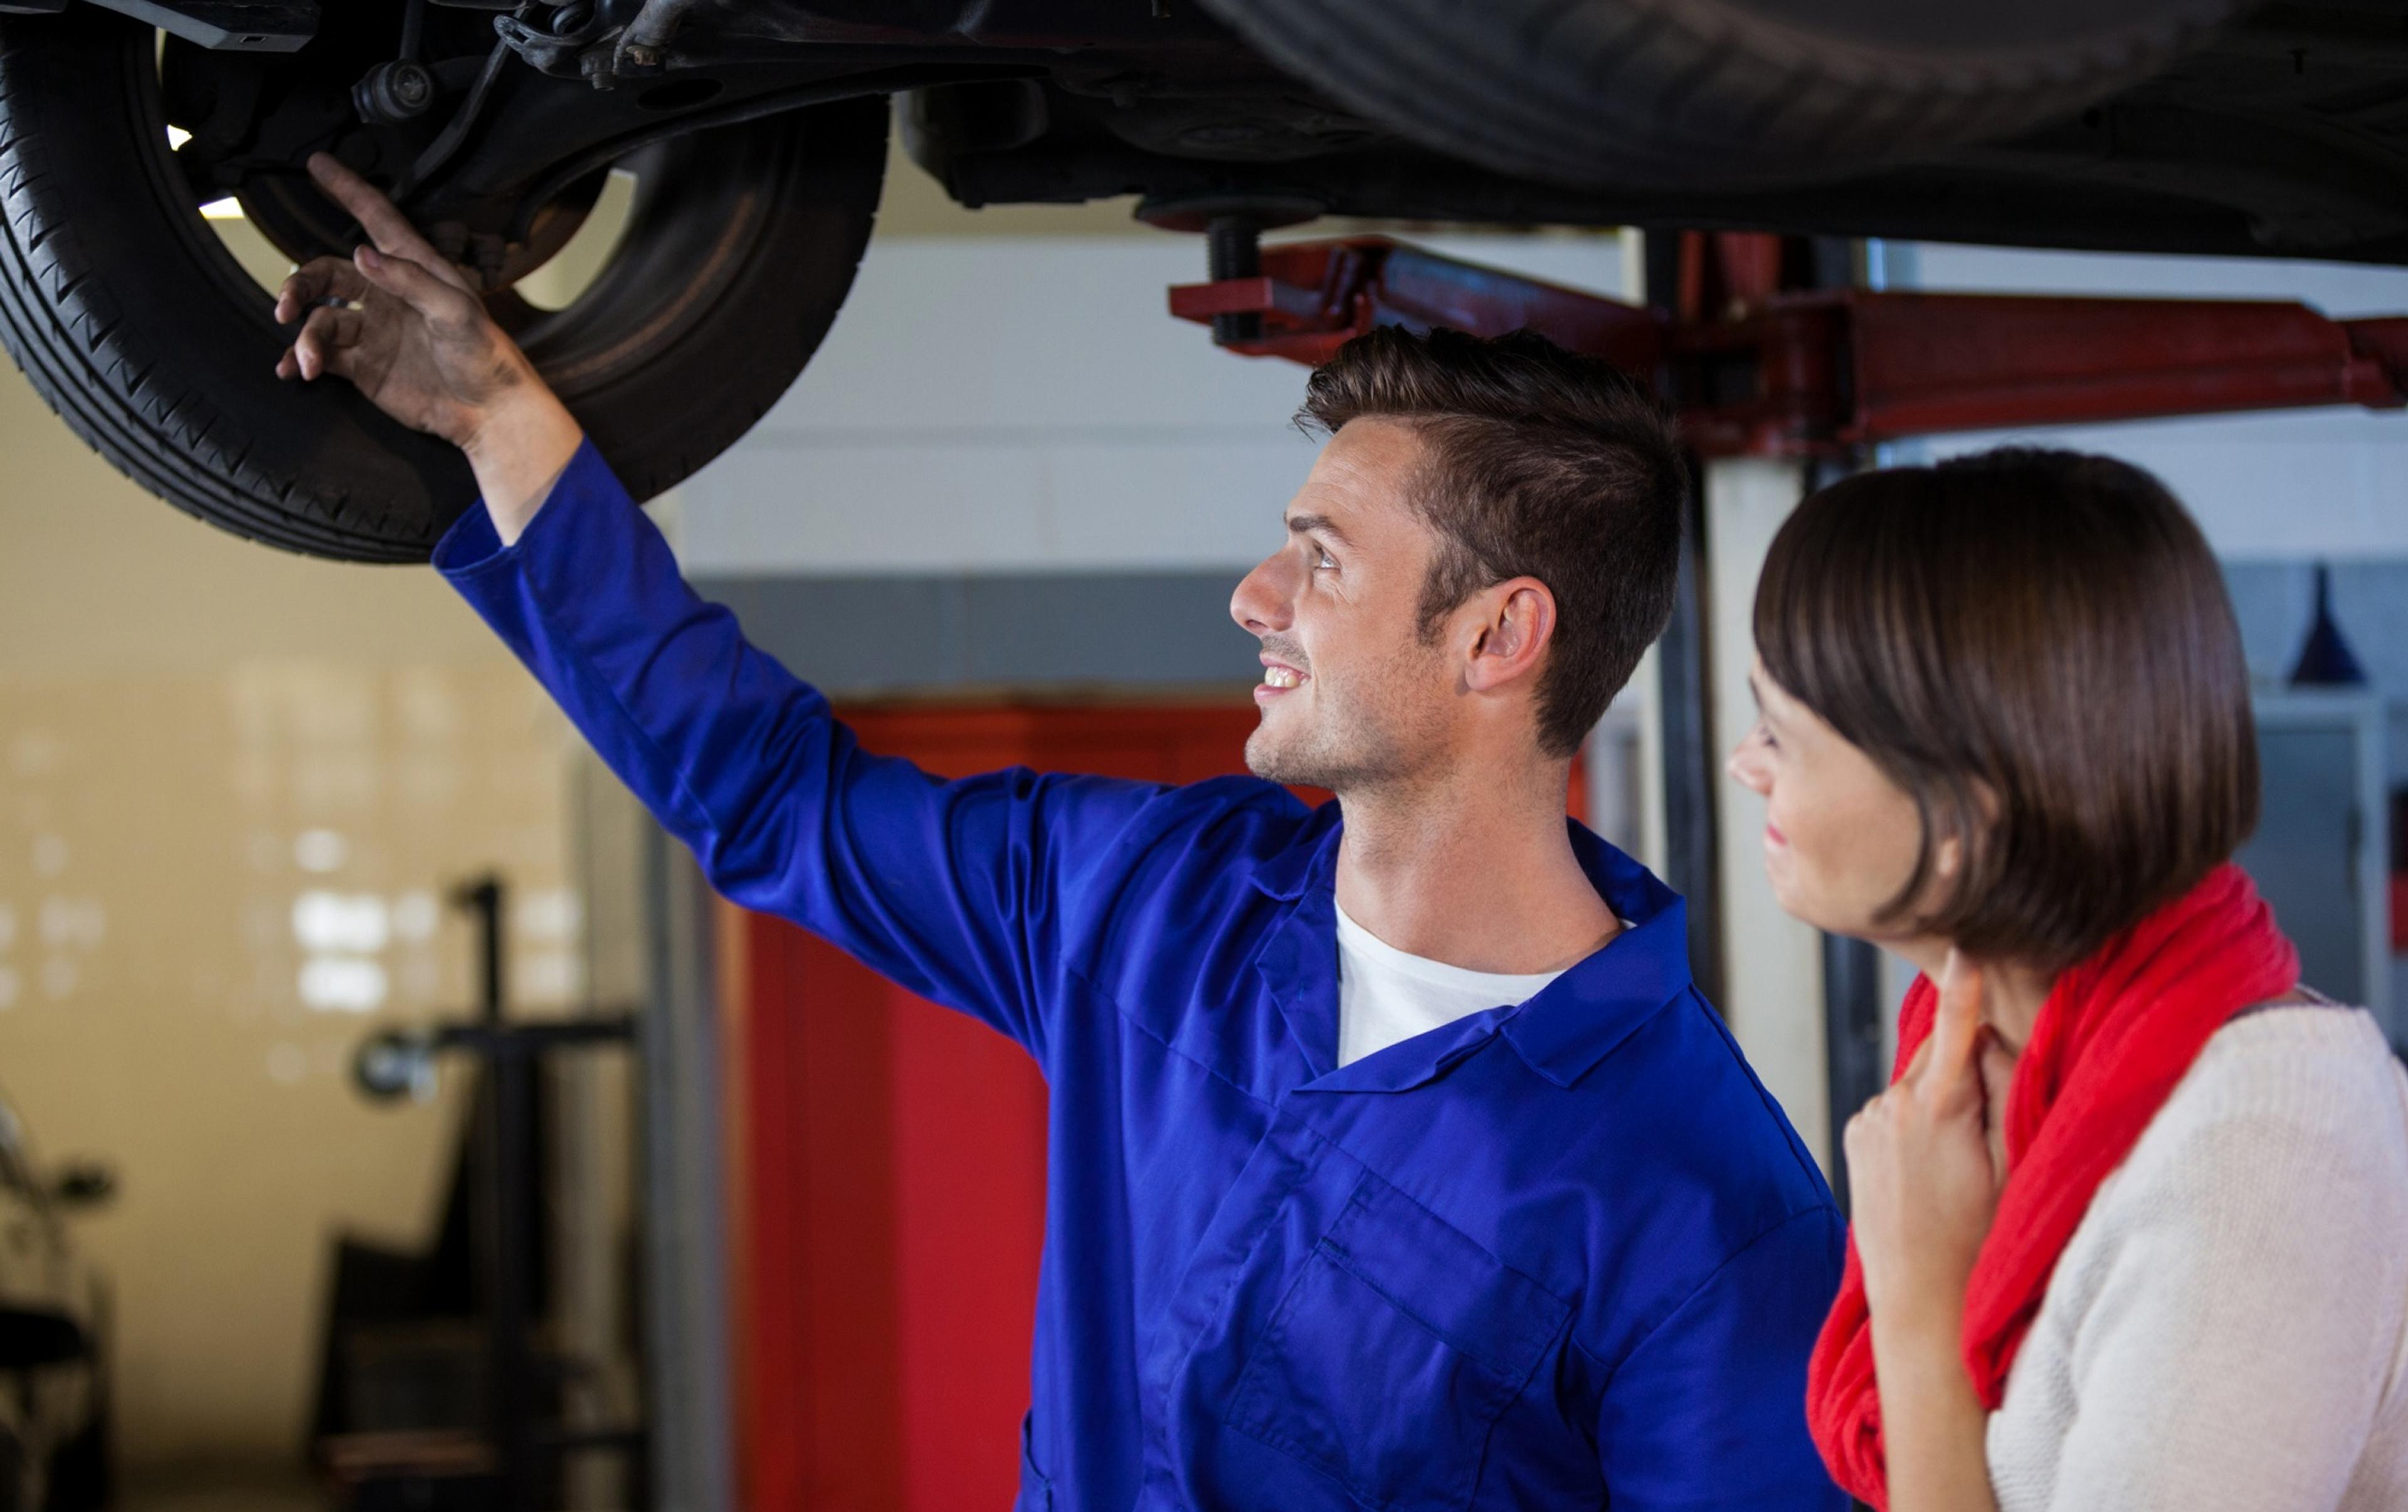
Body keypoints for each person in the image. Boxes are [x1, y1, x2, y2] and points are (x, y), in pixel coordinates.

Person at [273, 153, 1847, 1509]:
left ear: (1499, 637)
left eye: (1322, 561)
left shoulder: (1703, 1208)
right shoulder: (1148, 904)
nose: (1256, 598)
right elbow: (771, 794)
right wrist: (493, 417)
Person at [1724, 448, 2408, 1512]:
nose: (1743, 763)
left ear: (1962, 815)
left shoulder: (2267, 1133)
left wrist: (1916, 1308)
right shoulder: (1982, 1065)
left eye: (1783, 731)